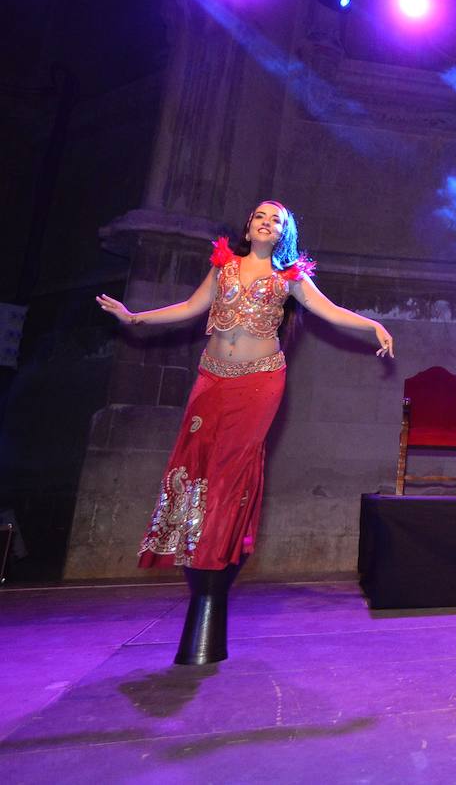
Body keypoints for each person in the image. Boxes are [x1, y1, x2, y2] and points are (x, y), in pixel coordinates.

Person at [96, 200, 394, 665]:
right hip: (211, 377)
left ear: (284, 234)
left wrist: (372, 324)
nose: (267, 222)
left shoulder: (290, 277)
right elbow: (191, 308)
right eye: (261, 215)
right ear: (249, 225)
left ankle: (221, 546)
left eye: (277, 220)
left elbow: (330, 310)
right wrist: (135, 317)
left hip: (260, 381)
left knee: (233, 468)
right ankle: (195, 545)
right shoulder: (223, 265)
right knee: (194, 465)